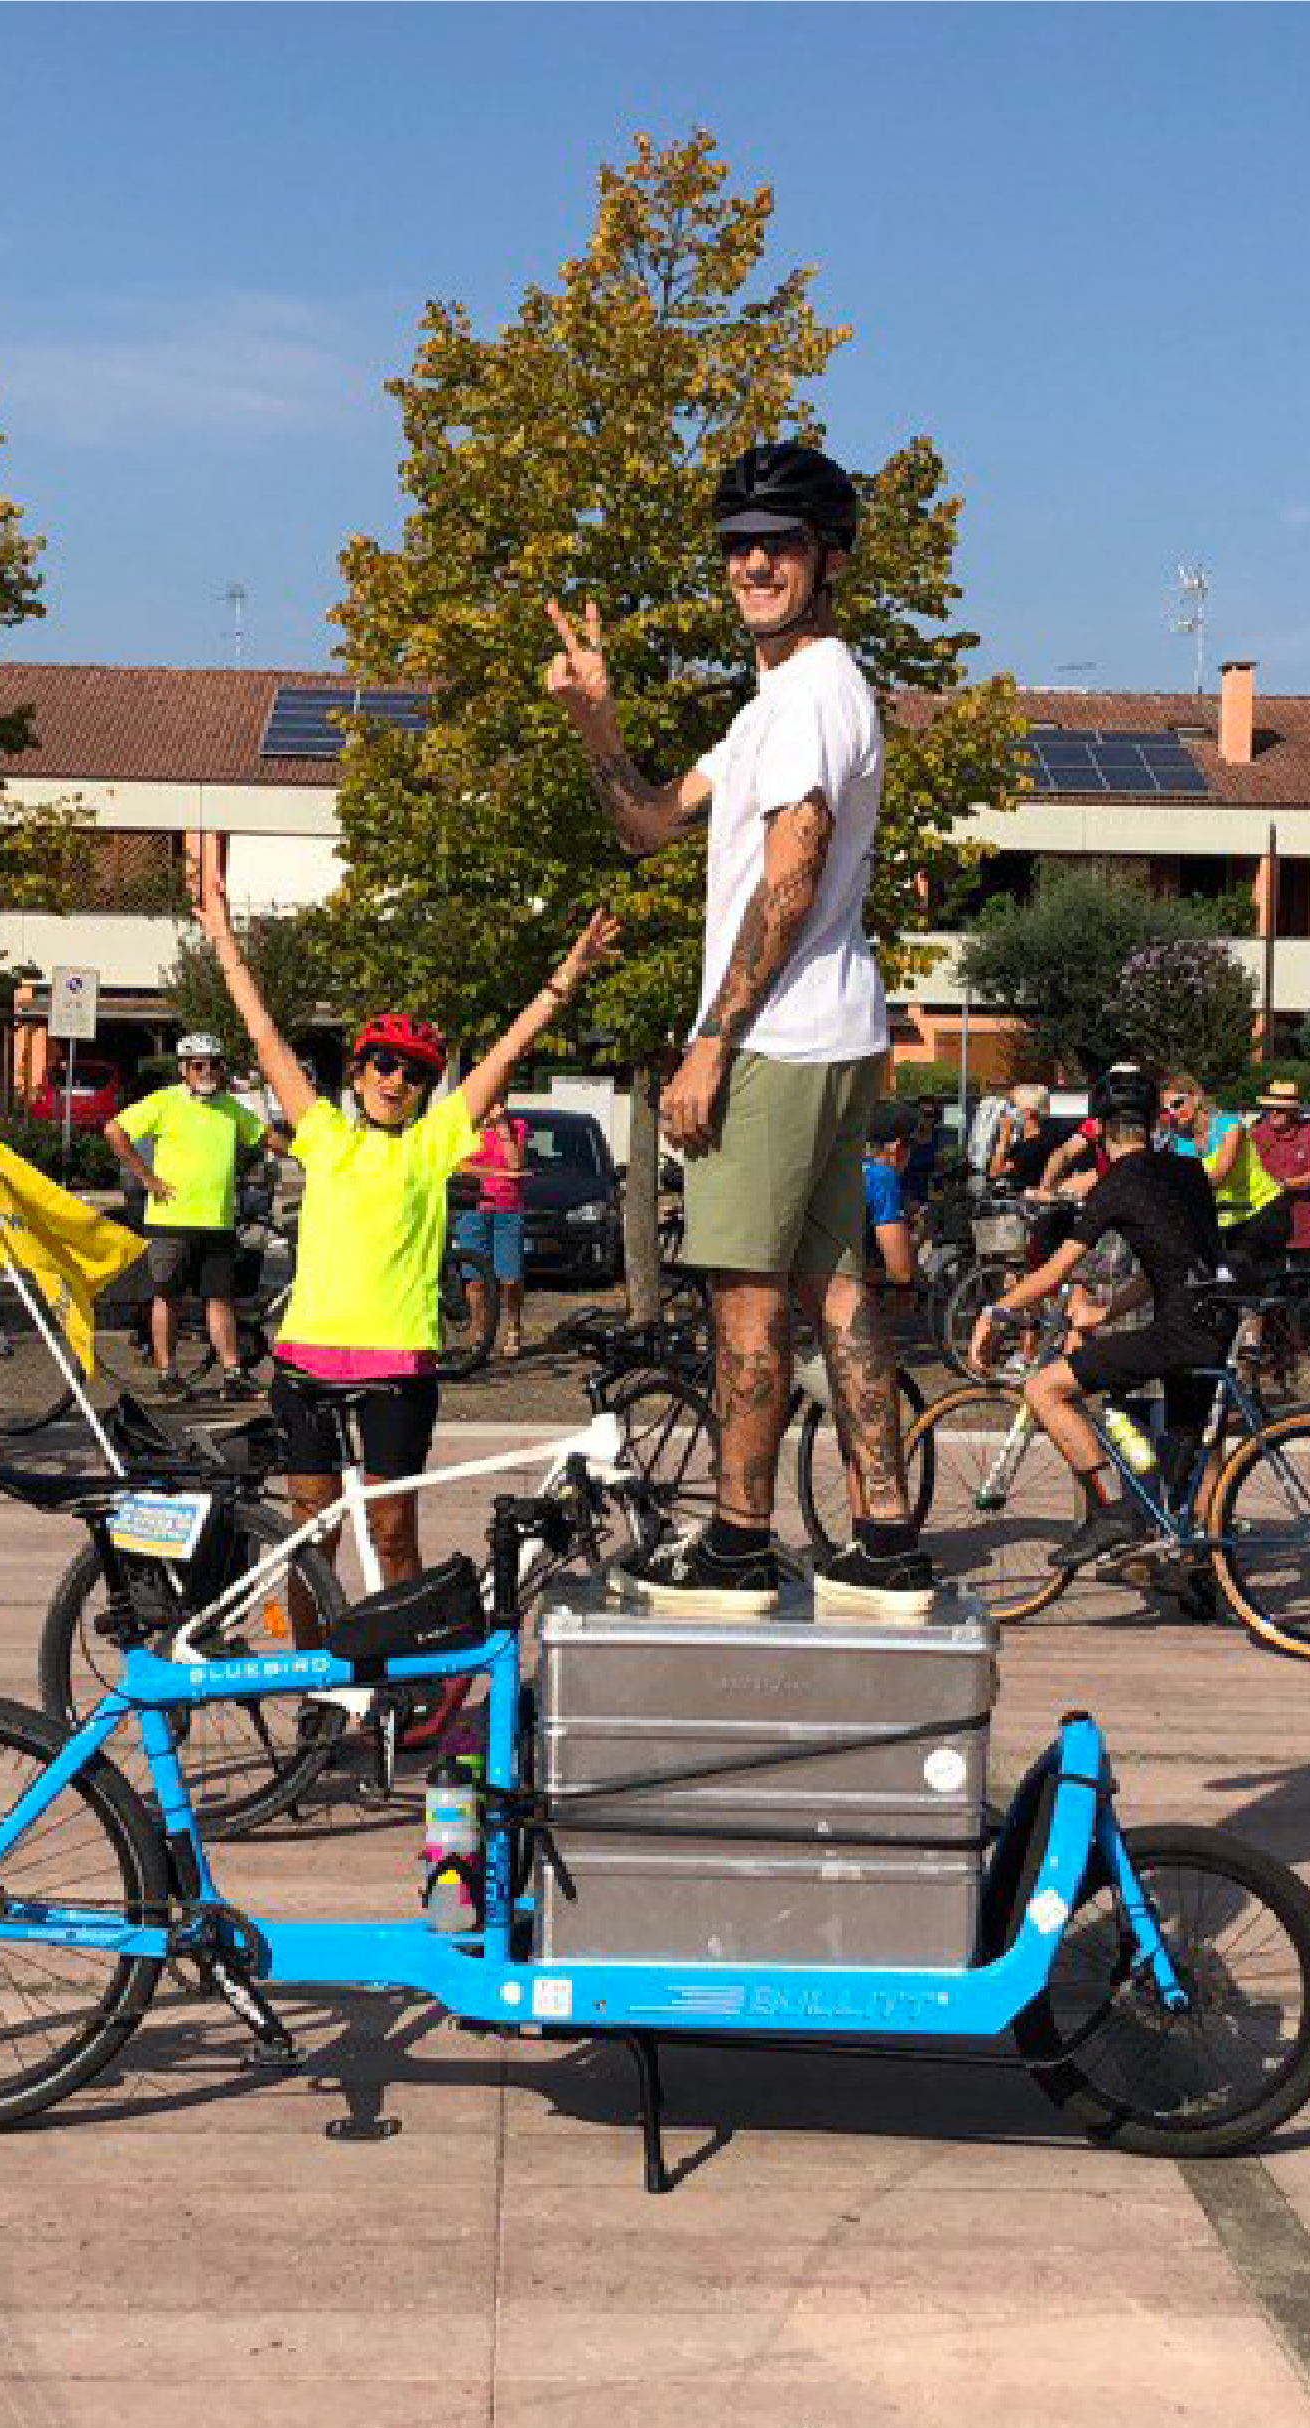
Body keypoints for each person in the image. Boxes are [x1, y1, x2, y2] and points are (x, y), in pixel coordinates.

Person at [542, 438, 927, 1616]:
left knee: (744, 1299)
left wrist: (712, 1035)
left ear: (829, 557)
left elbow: (791, 875)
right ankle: (886, 1537)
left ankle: (740, 1541)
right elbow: (650, 826)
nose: (753, 561)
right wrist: (597, 725)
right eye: (737, 544)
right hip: (832, 1029)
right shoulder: (776, 700)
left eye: (780, 543)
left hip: (776, 1034)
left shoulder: (813, 694)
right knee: (834, 1280)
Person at [197, 859, 618, 1614]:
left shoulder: (432, 1144)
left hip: (397, 1366)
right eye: (382, 1065)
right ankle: (317, 1694)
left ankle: (402, 1688)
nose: (395, 1079)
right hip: (307, 1362)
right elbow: (262, 1034)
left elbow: (506, 1053)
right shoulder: (322, 1134)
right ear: (357, 1074)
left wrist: (569, 973)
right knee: (311, 1539)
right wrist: (224, 940)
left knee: (392, 1533)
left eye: (413, 1073)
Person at [968, 1062, 1228, 1570]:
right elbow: (1169, 1264)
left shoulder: (1114, 1186)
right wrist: (1108, 1310)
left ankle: (1111, 1511)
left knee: (1044, 1387)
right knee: (1183, 1462)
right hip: (1215, 1321)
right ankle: (1193, 1570)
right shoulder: (1186, 1171)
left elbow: (1057, 1269)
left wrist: (997, 1309)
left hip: (1179, 1333)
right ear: (1152, 1122)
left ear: (1100, 1127)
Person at [106, 1033, 286, 1401]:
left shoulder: (230, 1108)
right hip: (171, 1220)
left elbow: (267, 1138)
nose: (207, 1071)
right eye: (197, 1065)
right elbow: (114, 1130)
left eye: (214, 1064)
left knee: (220, 1298)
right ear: (183, 1070)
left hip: (217, 1221)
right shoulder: (165, 1102)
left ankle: (233, 1373)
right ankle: (167, 1372)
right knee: (167, 1297)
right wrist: (145, 1177)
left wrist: (315, 1150)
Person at [1163, 1074, 1291, 1281]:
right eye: (1167, 1109)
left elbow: (1220, 1173)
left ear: (1195, 1098)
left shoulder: (1230, 1126)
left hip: (1262, 1212)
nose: (1173, 1113)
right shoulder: (1178, 1143)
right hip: (1224, 1221)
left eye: (1177, 1104)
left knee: (1235, 1272)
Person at [454, 1095, 530, 1357]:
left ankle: (513, 1327)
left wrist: (503, 1131)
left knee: (510, 1277)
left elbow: (516, 1164)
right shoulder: (466, 1127)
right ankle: (479, 1333)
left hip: (508, 1210)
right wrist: (498, 1174)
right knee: (475, 1279)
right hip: (473, 1207)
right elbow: (461, 1166)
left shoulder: (516, 1126)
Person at [1248, 1080, 1310, 1280]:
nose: (1273, 1114)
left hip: (1304, 1224)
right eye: (1269, 1109)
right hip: (1266, 1223)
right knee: (1267, 1285)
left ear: (1293, 1112)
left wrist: (1284, 1184)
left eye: (1280, 1110)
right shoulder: (1256, 1132)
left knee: (1307, 1283)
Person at [862, 1102, 921, 1300]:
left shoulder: (847, 1170)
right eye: (912, 1144)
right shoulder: (881, 1178)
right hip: (849, 1297)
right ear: (896, 1147)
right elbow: (900, 1272)